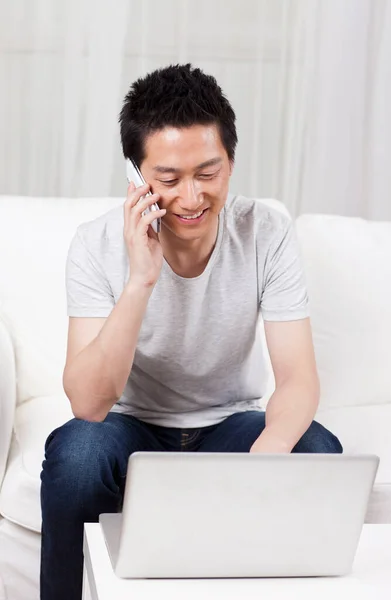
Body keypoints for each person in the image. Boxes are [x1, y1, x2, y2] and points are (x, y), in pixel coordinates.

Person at [40, 63, 342, 600]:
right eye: (169, 178)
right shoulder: (96, 243)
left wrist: (267, 456)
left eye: (208, 173)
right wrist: (141, 280)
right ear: (136, 176)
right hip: (129, 430)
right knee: (77, 456)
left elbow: (298, 378)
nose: (191, 198)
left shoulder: (265, 232)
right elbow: (87, 403)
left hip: (228, 427)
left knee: (317, 449)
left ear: (231, 162)